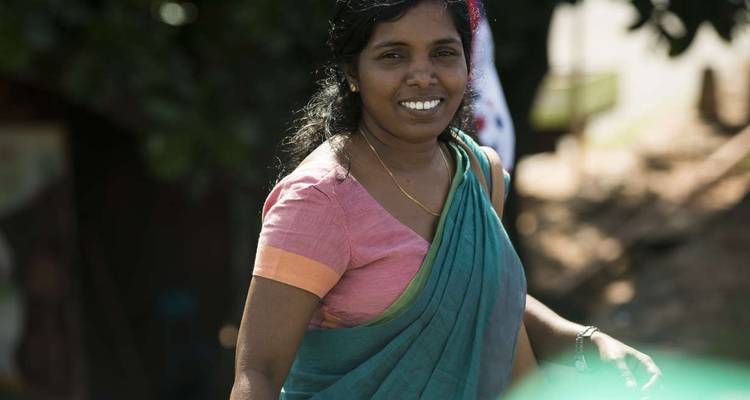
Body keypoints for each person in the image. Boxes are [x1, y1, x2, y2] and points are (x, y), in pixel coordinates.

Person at [231, 1, 661, 399]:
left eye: (443, 53)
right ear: (352, 73)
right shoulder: (320, 200)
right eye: (393, 55)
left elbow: (483, 293)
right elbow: (259, 373)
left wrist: (583, 341)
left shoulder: (478, 171)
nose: (422, 74)